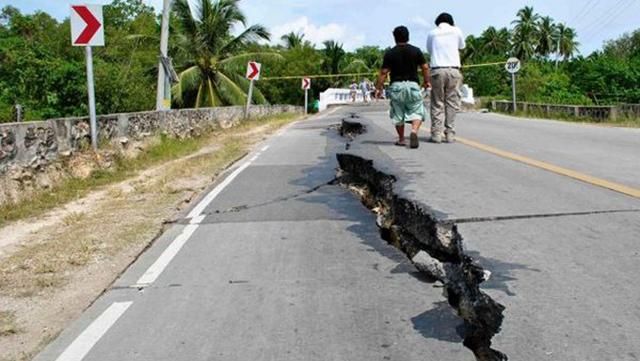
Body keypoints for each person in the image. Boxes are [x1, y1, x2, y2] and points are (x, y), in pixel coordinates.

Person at [376, 26, 430, 149]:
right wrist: (427, 81)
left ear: (394, 38)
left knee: (398, 113)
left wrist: (378, 88)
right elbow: (425, 67)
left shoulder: (390, 53)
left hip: (396, 86)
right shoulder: (416, 51)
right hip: (413, 85)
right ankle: (414, 131)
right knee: (417, 110)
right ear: (408, 36)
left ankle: (401, 139)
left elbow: (384, 72)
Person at [426, 12, 465, 144]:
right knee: (451, 102)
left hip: (437, 70)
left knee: (437, 102)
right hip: (453, 70)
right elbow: (461, 46)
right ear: (451, 21)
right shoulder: (456, 30)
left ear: (437, 22)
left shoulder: (432, 33)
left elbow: (430, 50)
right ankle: (450, 134)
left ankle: (436, 134)